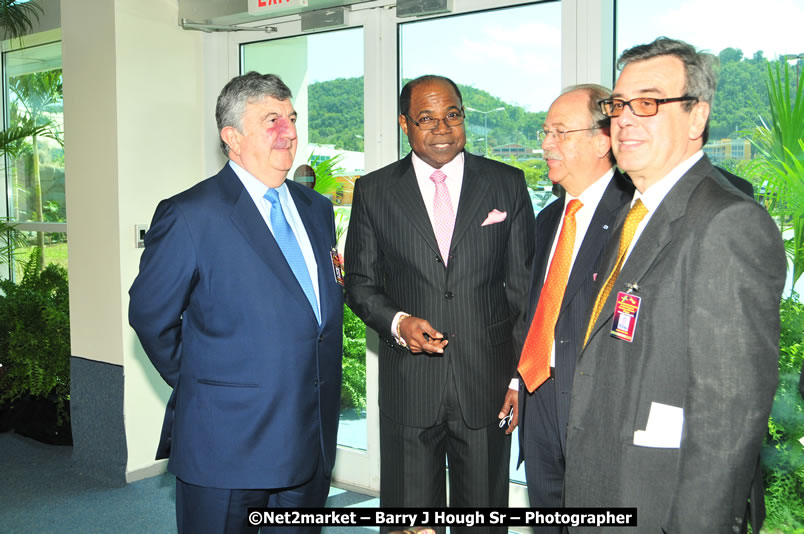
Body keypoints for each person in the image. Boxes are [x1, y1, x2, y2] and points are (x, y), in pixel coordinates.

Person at [564, 37, 786, 533]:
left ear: (696, 117)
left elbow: (728, 416)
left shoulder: (727, 223)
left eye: (647, 103)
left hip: (660, 505)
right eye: (618, 104)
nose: (624, 119)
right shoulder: (636, 212)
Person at [129, 72, 344, 534]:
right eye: (271, 120)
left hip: (310, 439)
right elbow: (150, 315)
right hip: (228, 442)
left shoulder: (316, 210)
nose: (288, 131)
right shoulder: (191, 214)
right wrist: (208, 382)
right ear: (232, 137)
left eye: (291, 118)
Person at [344, 75, 535, 532]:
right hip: (409, 388)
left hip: (487, 389)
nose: (442, 128)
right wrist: (398, 322)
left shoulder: (506, 184)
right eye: (426, 118)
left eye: (452, 115)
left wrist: (519, 377)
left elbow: (524, 290)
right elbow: (360, 284)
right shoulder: (374, 191)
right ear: (404, 124)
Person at [515, 85, 633, 528]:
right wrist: (517, 381)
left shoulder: (633, 216)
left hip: (595, 408)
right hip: (539, 397)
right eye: (546, 132)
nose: (546, 144)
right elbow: (536, 309)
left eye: (560, 133)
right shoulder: (549, 218)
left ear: (602, 141)